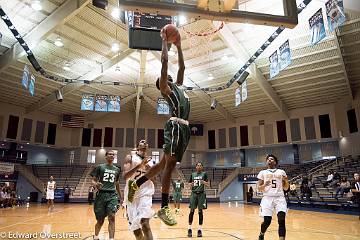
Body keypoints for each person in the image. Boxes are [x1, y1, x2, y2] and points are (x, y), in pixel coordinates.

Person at [127, 26, 190, 226]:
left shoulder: (178, 86)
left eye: (170, 78)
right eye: (166, 78)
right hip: (176, 126)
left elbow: (181, 68)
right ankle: (163, 207)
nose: (170, 77)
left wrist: (179, 46)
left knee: (163, 165)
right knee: (169, 167)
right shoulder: (166, 90)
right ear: (162, 83)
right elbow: (164, 62)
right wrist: (164, 40)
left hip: (185, 128)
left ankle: (136, 184)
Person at [123, 140, 154, 240]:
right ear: (137, 147)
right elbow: (125, 176)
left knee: (145, 223)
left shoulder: (151, 161)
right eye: (142, 142)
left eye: (146, 143)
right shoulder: (130, 157)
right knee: (136, 230)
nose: (144, 143)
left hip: (145, 191)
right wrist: (139, 166)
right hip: (131, 193)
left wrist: (149, 169)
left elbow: (156, 181)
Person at [90, 150, 121, 240]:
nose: (112, 155)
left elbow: (117, 183)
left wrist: (120, 196)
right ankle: (96, 236)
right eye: (110, 154)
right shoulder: (100, 167)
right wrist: (95, 184)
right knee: (100, 220)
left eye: (113, 154)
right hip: (101, 195)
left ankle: (111, 238)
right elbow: (93, 180)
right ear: (106, 156)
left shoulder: (117, 169)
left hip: (112, 195)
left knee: (112, 217)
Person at [257, 154, 289, 240]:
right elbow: (259, 189)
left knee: (281, 220)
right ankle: (261, 233)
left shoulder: (281, 172)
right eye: (268, 159)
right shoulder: (262, 173)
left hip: (280, 198)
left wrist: (286, 180)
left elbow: (286, 188)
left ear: (275, 162)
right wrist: (264, 185)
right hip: (267, 198)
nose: (269, 160)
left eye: (271, 159)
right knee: (267, 221)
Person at [187, 162, 209, 238]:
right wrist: (191, 184)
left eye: (200, 165)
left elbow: (208, 184)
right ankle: (189, 229)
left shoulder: (204, 174)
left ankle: (199, 230)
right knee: (192, 211)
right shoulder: (192, 174)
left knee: (200, 211)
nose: (199, 167)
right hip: (193, 194)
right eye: (198, 165)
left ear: (202, 167)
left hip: (201, 194)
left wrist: (204, 182)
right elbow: (189, 184)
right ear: (196, 167)